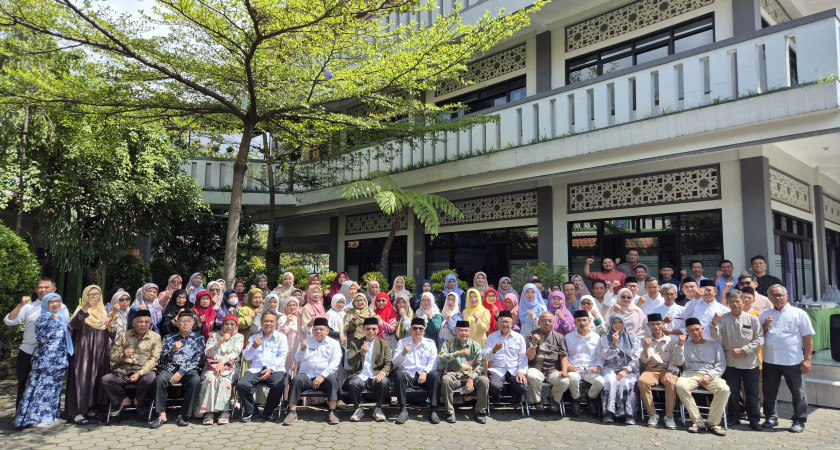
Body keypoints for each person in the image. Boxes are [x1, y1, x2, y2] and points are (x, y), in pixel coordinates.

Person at [759, 284, 814, 433]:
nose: (777, 298)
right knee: (769, 391)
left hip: (792, 360)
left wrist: (807, 359)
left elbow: (808, 338)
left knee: (798, 392)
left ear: (786, 297)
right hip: (770, 359)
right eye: (773, 296)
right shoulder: (764, 314)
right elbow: (758, 337)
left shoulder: (798, 313)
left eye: (780, 295)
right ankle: (771, 417)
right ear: (769, 298)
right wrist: (766, 325)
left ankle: (799, 420)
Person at [14, 293, 73, 429]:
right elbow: (42, 338)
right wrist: (52, 322)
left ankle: (51, 416)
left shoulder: (61, 318)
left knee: (55, 389)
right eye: (51, 302)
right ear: (46, 304)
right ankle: (35, 418)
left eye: (58, 301)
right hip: (46, 359)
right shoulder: (44, 318)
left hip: (59, 359)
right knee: (42, 389)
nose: (55, 304)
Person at [710, 290, 763, 430]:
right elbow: (715, 335)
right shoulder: (723, 318)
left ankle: (754, 419)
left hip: (749, 361)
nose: (734, 304)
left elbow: (759, 339)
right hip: (730, 361)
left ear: (743, 301)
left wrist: (744, 349)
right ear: (727, 303)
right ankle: (733, 417)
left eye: (737, 301)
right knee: (732, 391)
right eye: (731, 301)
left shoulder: (752, 319)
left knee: (752, 392)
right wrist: (714, 321)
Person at [149, 311, 205, 428]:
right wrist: (172, 350)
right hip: (170, 368)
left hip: (188, 369)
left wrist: (182, 371)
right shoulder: (169, 338)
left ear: (193, 324)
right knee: (159, 380)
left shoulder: (199, 338)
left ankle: (183, 414)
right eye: (182, 321)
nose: (186, 323)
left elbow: (198, 359)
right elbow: (162, 359)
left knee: (195, 381)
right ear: (177, 324)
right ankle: (161, 414)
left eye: (189, 321)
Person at [102, 310, 162, 419]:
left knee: (150, 378)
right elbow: (112, 356)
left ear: (150, 323)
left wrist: (139, 373)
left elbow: (154, 359)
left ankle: (139, 401)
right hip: (123, 371)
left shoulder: (155, 337)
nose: (143, 325)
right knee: (107, 379)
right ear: (133, 323)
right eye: (140, 322)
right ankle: (124, 401)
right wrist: (123, 356)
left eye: (147, 322)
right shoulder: (124, 336)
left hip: (144, 371)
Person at [675, 317, 730, 436]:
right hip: (690, 373)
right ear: (687, 332)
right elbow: (678, 363)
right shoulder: (684, 345)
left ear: (702, 329)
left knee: (724, 389)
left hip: (711, 374)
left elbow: (720, 365)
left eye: (697, 329)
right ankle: (697, 422)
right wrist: (679, 346)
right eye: (691, 330)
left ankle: (713, 423)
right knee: (680, 385)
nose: (695, 332)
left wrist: (709, 376)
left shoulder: (714, 345)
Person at [284, 317, 342, 425]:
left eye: (321, 329)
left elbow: (335, 362)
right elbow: (298, 359)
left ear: (327, 331)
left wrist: (322, 376)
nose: (318, 332)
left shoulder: (334, 344)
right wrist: (302, 349)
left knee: (333, 380)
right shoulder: (306, 342)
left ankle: (332, 412)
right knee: (296, 380)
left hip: (325, 377)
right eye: (315, 329)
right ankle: (292, 412)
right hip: (307, 375)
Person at [66, 285, 111, 425]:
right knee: (81, 379)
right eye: (91, 295)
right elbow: (74, 324)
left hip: (99, 352)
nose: (94, 298)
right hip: (83, 351)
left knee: (95, 379)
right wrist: (85, 308)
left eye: (97, 294)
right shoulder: (80, 310)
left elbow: (111, 331)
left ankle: (91, 408)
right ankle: (76, 412)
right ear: (85, 296)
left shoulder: (103, 312)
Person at [238, 311, 288, 422]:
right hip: (256, 369)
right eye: (266, 321)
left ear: (275, 323)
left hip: (275, 369)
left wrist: (271, 369)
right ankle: (253, 412)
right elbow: (246, 357)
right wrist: (253, 347)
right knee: (242, 385)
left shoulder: (281, 338)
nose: (268, 323)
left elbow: (281, 356)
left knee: (278, 385)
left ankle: (267, 413)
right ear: (261, 322)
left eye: (271, 321)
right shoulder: (254, 338)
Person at [392, 317, 441, 424]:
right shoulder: (402, 342)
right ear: (410, 330)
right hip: (408, 375)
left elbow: (434, 361)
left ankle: (433, 410)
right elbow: (395, 363)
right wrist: (403, 353)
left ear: (424, 330)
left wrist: (425, 372)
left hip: (424, 375)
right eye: (415, 328)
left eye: (420, 328)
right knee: (399, 374)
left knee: (435, 375)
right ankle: (403, 409)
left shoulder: (430, 343)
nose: (417, 330)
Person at [439, 319, 488, 424]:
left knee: (484, 380)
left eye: (466, 330)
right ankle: (449, 412)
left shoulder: (476, 345)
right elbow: (441, 358)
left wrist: (471, 378)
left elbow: (480, 366)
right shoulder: (449, 343)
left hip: (471, 376)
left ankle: (480, 412)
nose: (464, 333)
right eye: (461, 330)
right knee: (446, 379)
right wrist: (458, 353)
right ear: (456, 331)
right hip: (454, 375)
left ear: (469, 332)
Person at [638, 313, 683, 430]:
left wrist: (672, 371)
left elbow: (677, 360)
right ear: (648, 325)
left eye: (658, 324)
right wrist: (646, 348)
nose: (656, 327)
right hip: (650, 370)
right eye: (652, 324)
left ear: (663, 324)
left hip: (667, 370)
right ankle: (652, 415)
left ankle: (669, 416)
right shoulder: (645, 340)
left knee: (671, 382)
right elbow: (644, 361)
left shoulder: (672, 341)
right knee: (642, 381)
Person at [197, 314, 243, 425]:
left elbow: (236, 353)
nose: (229, 326)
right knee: (210, 378)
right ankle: (208, 412)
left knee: (225, 380)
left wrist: (222, 362)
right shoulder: (214, 336)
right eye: (226, 323)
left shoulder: (239, 337)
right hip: (212, 366)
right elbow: (208, 353)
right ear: (222, 324)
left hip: (230, 366)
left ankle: (225, 411)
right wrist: (221, 341)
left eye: (232, 324)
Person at [559, 310, 605, 415]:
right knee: (573, 378)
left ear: (589, 321)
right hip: (574, 368)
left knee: (600, 382)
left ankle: (591, 398)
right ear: (575, 323)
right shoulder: (568, 337)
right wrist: (568, 366)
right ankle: (575, 399)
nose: (582, 323)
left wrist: (599, 366)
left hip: (590, 368)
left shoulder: (596, 337)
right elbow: (564, 355)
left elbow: (600, 356)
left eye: (584, 320)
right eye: (579, 321)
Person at [346, 317, 392, 422]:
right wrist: (361, 353)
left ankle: (378, 408)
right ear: (363, 330)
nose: (371, 331)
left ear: (378, 330)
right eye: (368, 329)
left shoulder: (384, 344)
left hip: (376, 375)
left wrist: (382, 373)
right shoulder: (356, 343)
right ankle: (358, 408)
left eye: (374, 329)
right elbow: (350, 362)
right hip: (361, 375)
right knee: (353, 383)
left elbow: (388, 363)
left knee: (384, 382)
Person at [600, 315, 642, 424]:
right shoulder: (605, 338)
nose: (617, 325)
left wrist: (626, 370)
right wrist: (614, 343)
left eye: (620, 322)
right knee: (610, 381)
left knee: (625, 383)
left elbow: (636, 358)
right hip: (610, 368)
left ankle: (629, 414)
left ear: (624, 323)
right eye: (615, 323)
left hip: (628, 370)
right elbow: (605, 357)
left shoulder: (633, 339)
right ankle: (608, 413)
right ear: (611, 324)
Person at [525, 312, 569, 412]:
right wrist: (534, 344)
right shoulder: (531, 335)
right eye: (544, 321)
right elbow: (530, 357)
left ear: (553, 323)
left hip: (552, 369)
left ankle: (552, 397)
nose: (547, 323)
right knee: (531, 376)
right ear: (539, 322)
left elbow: (563, 355)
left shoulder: (559, 337)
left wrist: (564, 370)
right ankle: (538, 400)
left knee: (565, 381)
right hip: (536, 367)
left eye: (550, 321)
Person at [484, 310, 529, 406]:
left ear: (512, 323)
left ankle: (516, 397)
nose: (504, 324)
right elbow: (486, 357)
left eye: (507, 322)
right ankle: (497, 399)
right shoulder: (492, 337)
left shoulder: (519, 337)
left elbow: (523, 357)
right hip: (497, 369)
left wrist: (521, 372)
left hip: (514, 369)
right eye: (502, 322)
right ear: (497, 323)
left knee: (523, 386)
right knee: (495, 386)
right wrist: (494, 350)